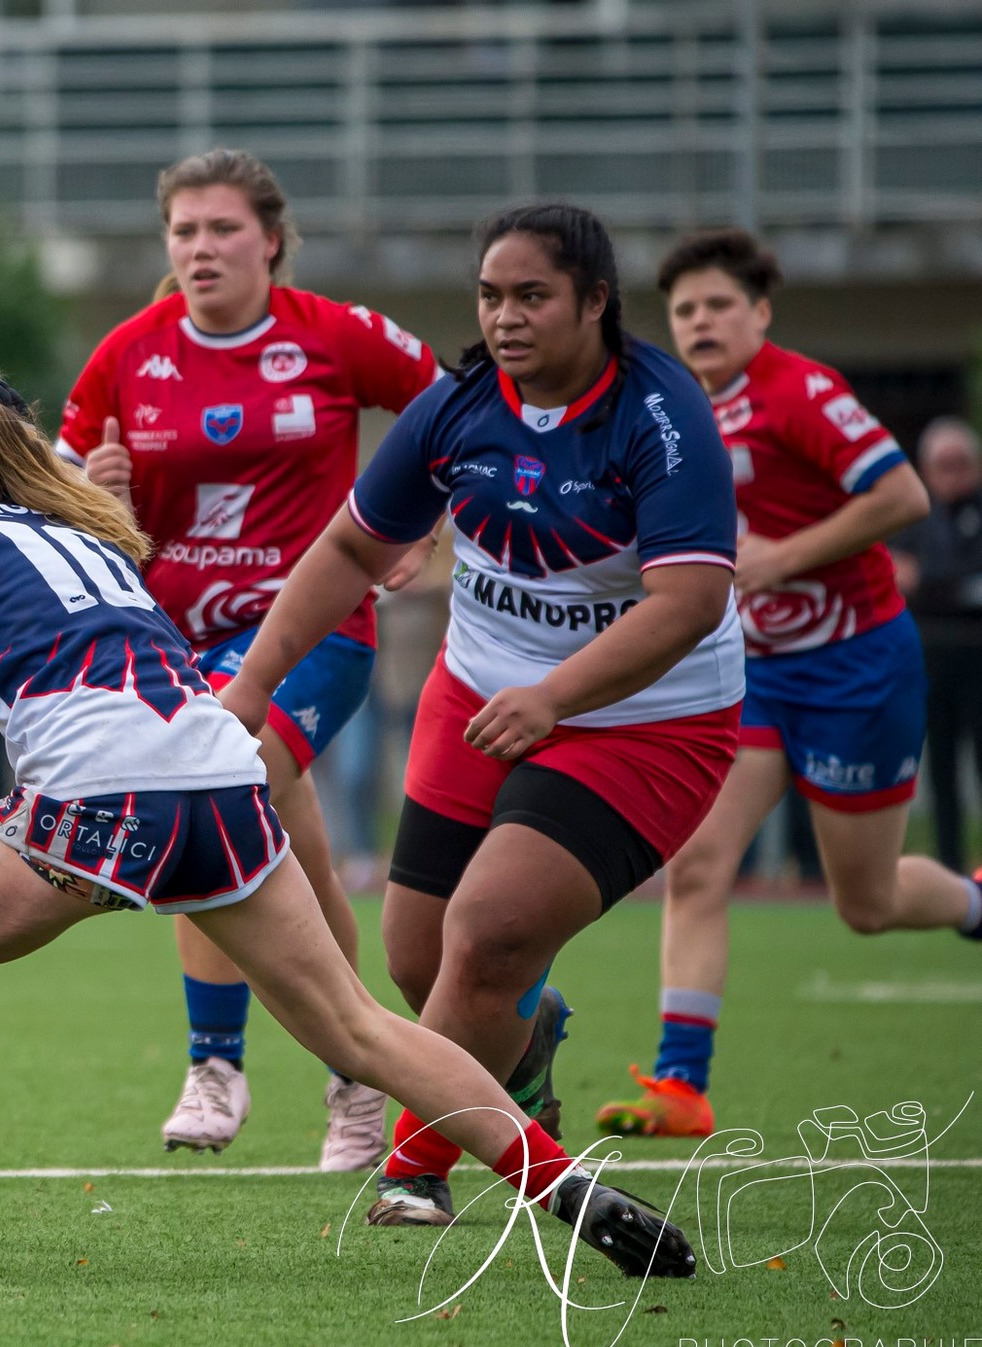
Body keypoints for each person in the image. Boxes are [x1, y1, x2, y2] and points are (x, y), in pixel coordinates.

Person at [0, 372, 696, 1281]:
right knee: (357, 1027)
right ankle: (566, 1186)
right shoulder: (86, 535)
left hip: (99, 794)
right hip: (223, 778)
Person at [220, 205, 749, 1227]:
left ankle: (414, 1168)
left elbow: (689, 601)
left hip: (648, 719)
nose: (505, 317)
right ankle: (529, 1045)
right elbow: (349, 549)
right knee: (420, 959)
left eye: (532, 296)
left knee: (490, 934)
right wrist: (250, 684)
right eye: (489, 296)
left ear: (595, 302)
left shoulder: (659, 414)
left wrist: (553, 697)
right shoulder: (457, 405)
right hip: (478, 691)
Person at [55, 148, 441, 1166]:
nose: (201, 247)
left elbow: (457, 410)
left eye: (222, 228)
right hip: (176, 646)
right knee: (279, 843)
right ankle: (357, 1067)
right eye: (183, 230)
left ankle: (216, 1062)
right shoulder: (127, 353)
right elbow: (58, 498)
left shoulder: (333, 335)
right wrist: (99, 495)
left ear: (270, 240)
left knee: (215, 779)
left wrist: (423, 522)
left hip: (312, 634)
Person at [596, 234, 982, 1140]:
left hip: (856, 667)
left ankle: (974, 903)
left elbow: (903, 497)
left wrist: (781, 558)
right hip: (755, 671)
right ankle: (681, 1085)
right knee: (698, 860)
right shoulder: (669, 404)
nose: (700, 322)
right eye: (685, 309)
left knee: (866, 904)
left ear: (760, 313)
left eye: (718, 305)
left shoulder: (799, 391)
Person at [892, 418, 982, 870]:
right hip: (929, 656)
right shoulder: (915, 515)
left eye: (960, 463)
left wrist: (925, 581)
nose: (952, 474)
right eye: (942, 465)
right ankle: (950, 867)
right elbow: (893, 575)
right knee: (940, 767)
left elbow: (934, 581)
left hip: (977, 655)